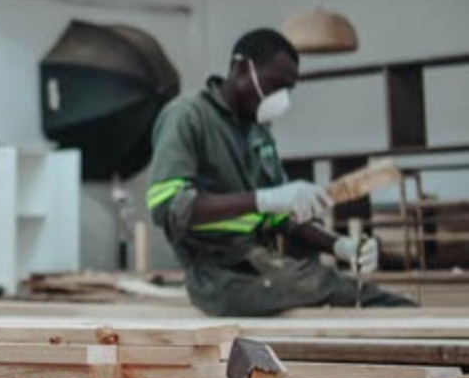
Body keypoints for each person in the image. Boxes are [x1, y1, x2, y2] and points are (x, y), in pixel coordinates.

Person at [147, 28, 415, 316]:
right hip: (219, 277)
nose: (282, 98)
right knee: (349, 294)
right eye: (276, 84)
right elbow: (167, 206)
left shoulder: (257, 132)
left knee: (364, 294)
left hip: (260, 264)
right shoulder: (187, 116)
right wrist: (265, 199)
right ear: (240, 69)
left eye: (289, 89)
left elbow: (282, 217)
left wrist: (341, 246)